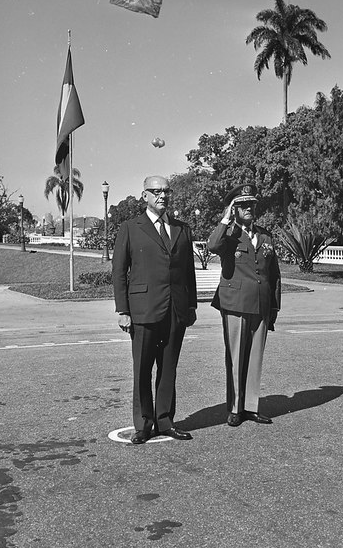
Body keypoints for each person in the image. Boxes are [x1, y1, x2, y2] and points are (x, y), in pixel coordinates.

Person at [112, 175, 197, 444]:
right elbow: (119, 273)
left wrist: (192, 304)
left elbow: (188, 272)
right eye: (156, 191)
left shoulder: (182, 229)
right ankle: (144, 423)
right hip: (143, 310)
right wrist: (123, 310)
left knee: (168, 368)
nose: (163, 195)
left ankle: (164, 420)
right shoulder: (130, 227)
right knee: (143, 368)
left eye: (166, 191)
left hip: (175, 310)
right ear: (145, 196)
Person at [207, 183, 281, 427]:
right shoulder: (228, 235)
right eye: (242, 205)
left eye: (252, 205)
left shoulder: (265, 235)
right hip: (236, 303)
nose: (248, 209)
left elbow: (274, 274)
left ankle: (251, 406)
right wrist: (225, 219)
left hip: (261, 304)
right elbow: (212, 246)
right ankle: (236, 408)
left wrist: (274, 307)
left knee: (255, 357)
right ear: (234, 209)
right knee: (236, 357)